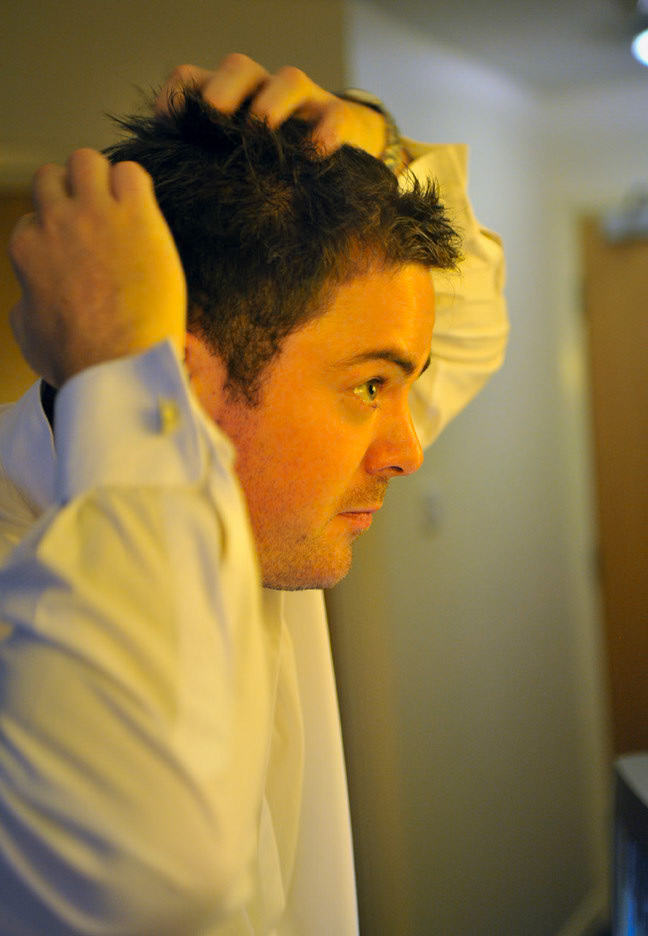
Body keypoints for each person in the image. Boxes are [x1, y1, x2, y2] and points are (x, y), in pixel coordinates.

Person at [0, 54, 508, 935]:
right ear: (181, 373)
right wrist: (126, 376)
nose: (407, 452)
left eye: (403, 384)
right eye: (371, 386)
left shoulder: (257, 487)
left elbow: (470, 327)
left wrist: (371, 142)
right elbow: (153, 880)